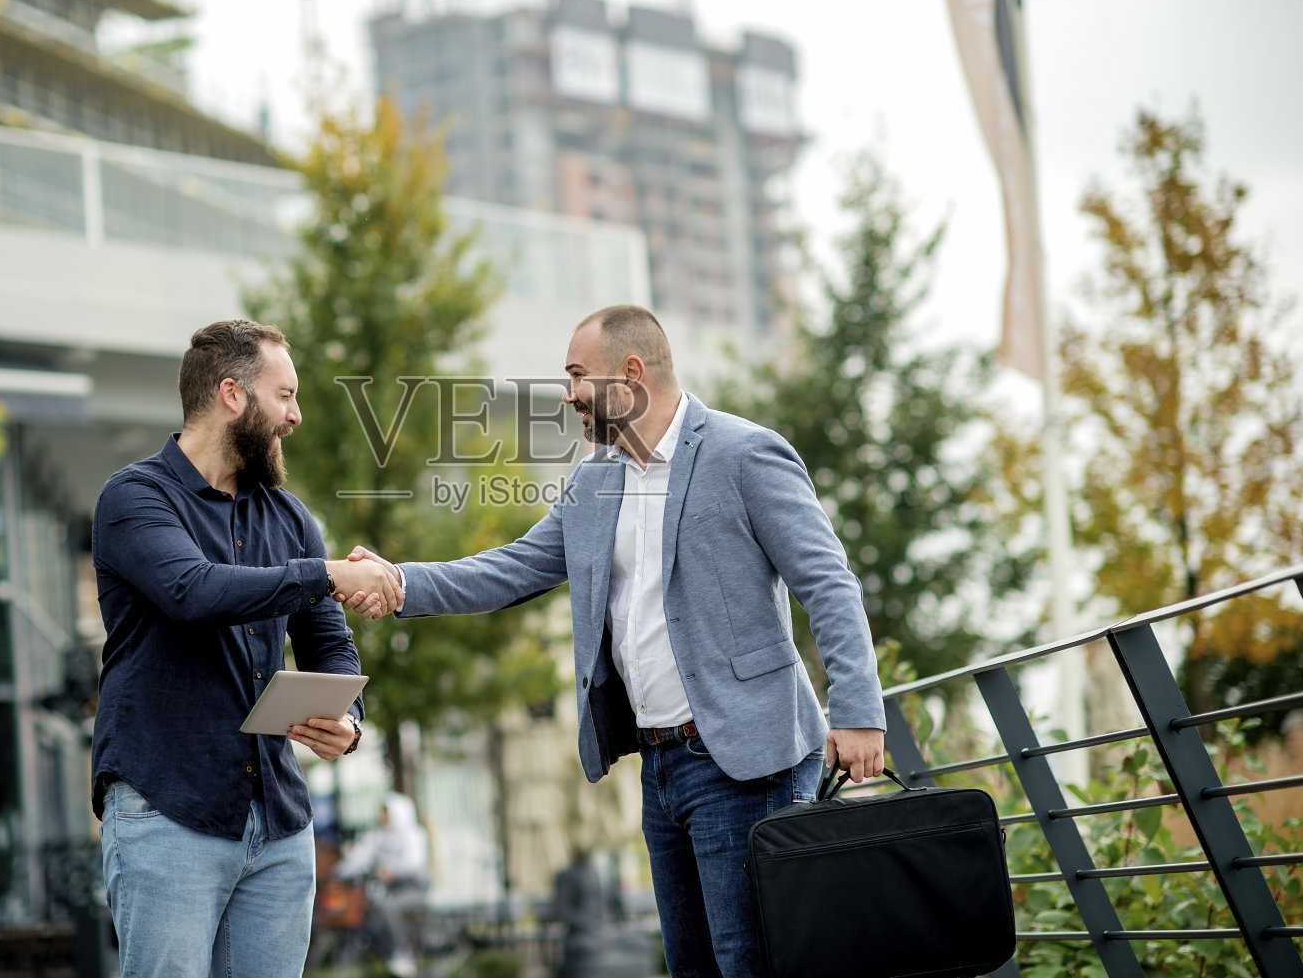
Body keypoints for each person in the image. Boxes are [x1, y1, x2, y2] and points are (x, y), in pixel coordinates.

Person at [343, 305, 885, 978]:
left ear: (630, 375)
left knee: (751, 962)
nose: (567, 394)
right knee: (692, 964)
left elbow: (828, 580)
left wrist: (858, 708)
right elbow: (509, 569)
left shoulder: (743, 453)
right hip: (660, 766)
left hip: (749, 759)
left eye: (577, 375)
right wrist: (397, 580)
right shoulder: (595, 480)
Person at [90, 318, 403, 978]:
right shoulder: (134, 497)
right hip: (165, 813)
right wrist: (328, 572)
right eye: (284, 395)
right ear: (232, 394)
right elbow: (193, 591)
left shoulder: (291, 519)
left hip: (280, 830)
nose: (296, 415)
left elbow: (329, 644)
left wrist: (347, 722)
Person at [332, 792, 430, 977]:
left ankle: (402, 954)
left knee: (388, 907)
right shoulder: (378, 835)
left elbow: (414, 861)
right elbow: (360, 856)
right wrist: (339, 871)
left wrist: (393, 870)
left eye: (385, 812)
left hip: (413, 888)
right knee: (371, 909)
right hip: (387, 889)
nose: (381, 816)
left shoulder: (413, 834)